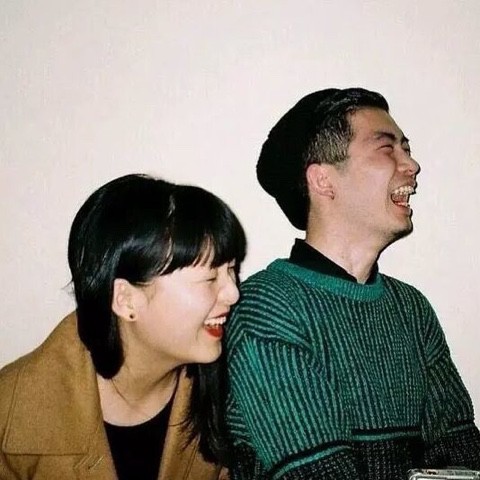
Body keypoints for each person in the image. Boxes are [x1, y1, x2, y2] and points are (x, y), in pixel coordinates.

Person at [225, 88, 480, 479]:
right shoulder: (268, 308)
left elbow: (463, 459)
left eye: (406, 149)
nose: (412, 164)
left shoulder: (411, 308)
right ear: (323, 181)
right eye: (386, 148)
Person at [0, 173, 246, 479]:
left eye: (231, 270)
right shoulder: (10, 414)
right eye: (210, 278)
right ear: (126, 299)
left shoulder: (231, 392)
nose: (233, 293)